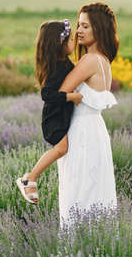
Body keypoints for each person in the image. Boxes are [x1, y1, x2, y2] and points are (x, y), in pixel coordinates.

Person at [56, 2, 119, 230]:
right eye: (78, 25)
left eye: (85, 26)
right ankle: (98, 245)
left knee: (76, 193)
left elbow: (60, 93)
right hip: (96, 131)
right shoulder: (104, 60)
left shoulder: (89, 60)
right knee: (95, 192)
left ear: (99, 30)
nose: (79, 31)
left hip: (81, 133)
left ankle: (73, 250)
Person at [16, 19, 83, 204]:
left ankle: (30, 178)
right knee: (61, 149)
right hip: (54, 120)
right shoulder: (57, 68)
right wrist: (71, 97)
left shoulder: (62, 62)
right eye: (70, 41)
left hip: (60, 117)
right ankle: (30, 178)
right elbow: (47, 94)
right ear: (59, 44)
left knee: (63, 149)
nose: (73, 43)